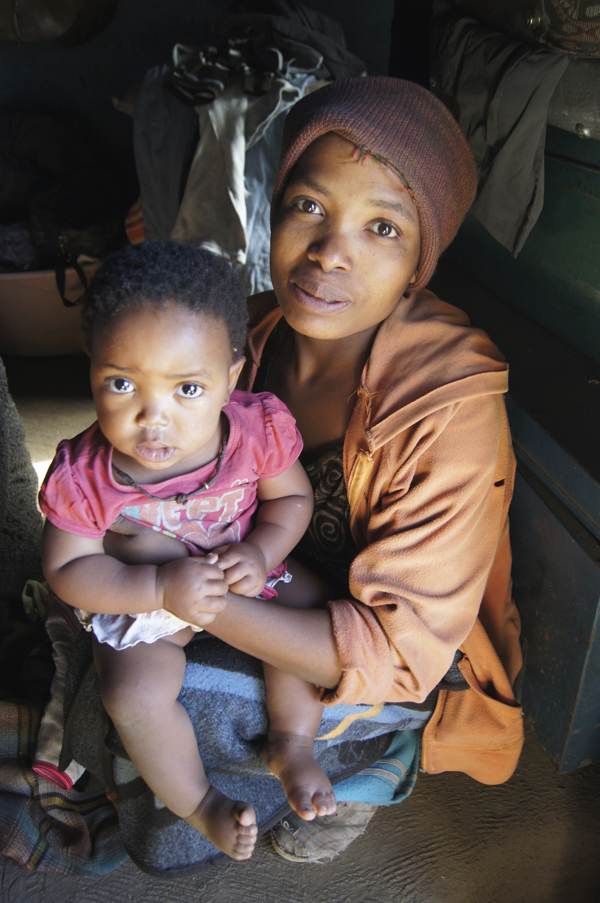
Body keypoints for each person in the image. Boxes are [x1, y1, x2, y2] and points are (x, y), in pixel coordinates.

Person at [180, 76, 523, 862]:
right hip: (266, 580)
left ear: (418, 265)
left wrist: (192, 598)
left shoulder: (451, 400)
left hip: (388, 650)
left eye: (382, 227)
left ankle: (375, 756)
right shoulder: (254, 336)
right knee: (122, 642)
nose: (331, 252)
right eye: (309, 206)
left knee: (183, 689)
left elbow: (401, 651)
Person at [38, 241, 340, 862]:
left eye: (188, 389)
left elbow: (293, 503)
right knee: (130, 694)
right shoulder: (86, 472)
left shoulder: (257, 430)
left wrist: (260, 552)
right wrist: (157, 590)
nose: (154, 418)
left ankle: (292, 741)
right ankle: (198, 805)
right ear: (91, 367)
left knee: (316, 614)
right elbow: (68, 569)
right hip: (150, 600)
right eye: (121, 384)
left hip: (244, 571)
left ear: (231, 377)